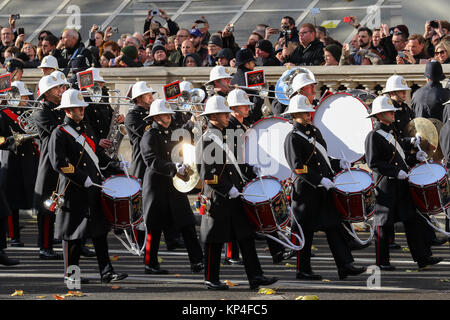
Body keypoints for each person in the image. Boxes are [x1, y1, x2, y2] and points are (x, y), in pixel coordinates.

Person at [196, 95, 278, 290]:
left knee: (246, 236)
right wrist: (227, 189)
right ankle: (210, 278)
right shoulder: (206, 140)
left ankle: (256, 276)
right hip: (217, 197)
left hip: (235, 194)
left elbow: (236, 163)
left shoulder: (227, 135)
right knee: (214, 240)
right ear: (213, 116)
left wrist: (250, 170)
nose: (227, 116)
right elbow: (207, 175)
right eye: (224, 113)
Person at [48, 88, 128, 285]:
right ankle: (71, 276)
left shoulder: (86, 129)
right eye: (77, 107)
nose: (82, 110)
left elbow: (96, 154)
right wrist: (80, 177)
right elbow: (58, 162)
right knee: (73, 235)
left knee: (100, 231)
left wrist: (115, 165)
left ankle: (107, 272)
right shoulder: (60, 133)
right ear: (67, 110)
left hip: (93, 186)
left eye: (82, 107)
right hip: (74, 188)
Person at [282, 94, 366, 280]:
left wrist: (338, 164)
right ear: (295, 114)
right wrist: (319, 179)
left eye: (309, 111)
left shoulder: (314, 131)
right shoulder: (293, 138)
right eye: (304, 112)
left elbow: (323, 159)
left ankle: (345, 265)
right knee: (305, 233)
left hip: (323, 191)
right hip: (306, 192)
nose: (308, 114)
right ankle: (302, 270)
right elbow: (299, 167)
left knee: (334, 227)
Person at [365, 95, 442, 270]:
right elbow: (374, 163)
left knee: (413, 220)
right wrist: (395, 172)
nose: (393, 113)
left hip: (401, 184)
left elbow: (401, 157)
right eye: (389, 111)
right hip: (386, 186)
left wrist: (415, 157)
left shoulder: (392, 131)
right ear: (379, 115)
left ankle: (422, 258)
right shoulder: (373, 136)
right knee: (383, 224)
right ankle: (381, 261)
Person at [139, 99, 204, 274]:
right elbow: (151, 160)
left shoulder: (173, 131)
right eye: (164, 114)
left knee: (187, 223)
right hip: (157, 185)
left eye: (168, 114)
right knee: (154, 226)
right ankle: (150, 264)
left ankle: (197, 261)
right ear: (156, 116)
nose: (167, 117)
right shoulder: (150, 135)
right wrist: (173, 167)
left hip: (175, 183)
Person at [124, 81, 183, 251]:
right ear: (139, 98)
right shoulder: (133, 116)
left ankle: (172, 238)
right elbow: (148, 133)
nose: (151, 97)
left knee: (168, 203)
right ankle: (140, 241)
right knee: (144, 207)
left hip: (162, 164)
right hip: (144, 165)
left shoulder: (154, 112)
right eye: (148, 95)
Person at [0, 81, 38, 248]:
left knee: (32, 197)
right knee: (11, 201)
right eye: (23, 97)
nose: (26, 100)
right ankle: (13, 236)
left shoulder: (27, 113)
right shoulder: (2, 114)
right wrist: (14, 140)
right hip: (12, 159)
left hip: (28, 160)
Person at [33, 74, 67, 260]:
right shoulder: (41, 112)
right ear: (47, 93)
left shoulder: (63, 109)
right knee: (48, 206)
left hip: (65, 163)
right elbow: (58, 132)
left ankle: (75, 242)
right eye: (57, 88)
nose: (61, 91)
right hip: (50, 164)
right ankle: (44, 247)